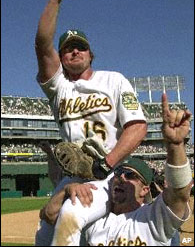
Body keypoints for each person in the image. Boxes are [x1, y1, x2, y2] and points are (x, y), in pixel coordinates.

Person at [35, 0, 147, 245]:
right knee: (46, 231)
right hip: (71, 176)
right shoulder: (59, 87)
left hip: (109, 174)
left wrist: (105, 164)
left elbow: (138, 127)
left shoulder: (114, 80)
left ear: (90, 54)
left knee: (71, 213)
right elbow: (42, 43)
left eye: (80, 47)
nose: (75, 51)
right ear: (61, 58)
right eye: (68, 49)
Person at [40, 93, 193, 246]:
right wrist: (66, 190)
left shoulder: (154, 218)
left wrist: (175, 146)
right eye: (119, 173)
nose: (121, 177)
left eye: (130, 175)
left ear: (144, 190)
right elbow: (49, 215)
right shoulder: (97, 220)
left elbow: (179, 194)